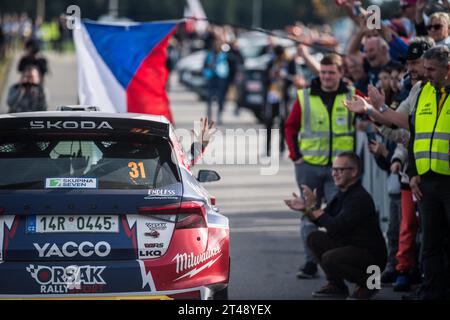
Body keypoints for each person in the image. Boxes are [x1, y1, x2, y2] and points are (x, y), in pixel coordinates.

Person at [285, 54, 356, 279]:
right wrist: (295, 155)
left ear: (340, 73)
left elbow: (368, 118)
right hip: (309, 167)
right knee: (308, 216)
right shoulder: (305, 96)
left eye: (331, 72)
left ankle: (336, 263)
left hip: (340, 170)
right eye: (323, 72)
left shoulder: (352, 95)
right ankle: (311, 263)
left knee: (337, 217)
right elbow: (290, 127)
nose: (326, 77)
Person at [284, 152, 387, 299]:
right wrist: (306, 208)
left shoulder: (359, 197)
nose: (334, 174)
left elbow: (336, 228)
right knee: (314, 237)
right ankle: (336, 285)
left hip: (372, 261)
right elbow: (321, 220)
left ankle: (369, 285)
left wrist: (314, 208)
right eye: (333, 169)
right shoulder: (343, 194)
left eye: (339, 170)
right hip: (353, 249)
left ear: (353, 172)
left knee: (330, 258)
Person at [406, 45, 450, 299]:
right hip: (426, 181)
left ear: (447, 69)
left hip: (448, 181)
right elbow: (415, 138)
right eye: (425, 69)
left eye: (432, 70)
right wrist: (412, 173)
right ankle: (431, 291)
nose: (427, 74)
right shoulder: (422, 92)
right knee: (430, 242)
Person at [203, 39, 230, 125]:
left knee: (220, 99)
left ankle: (219, 116)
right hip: (211, 77)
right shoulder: (210, 55)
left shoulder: (224, 55)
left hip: (221, 78)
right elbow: (204, 65)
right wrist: (206, 73)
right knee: (209, 99)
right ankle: (209, 117)